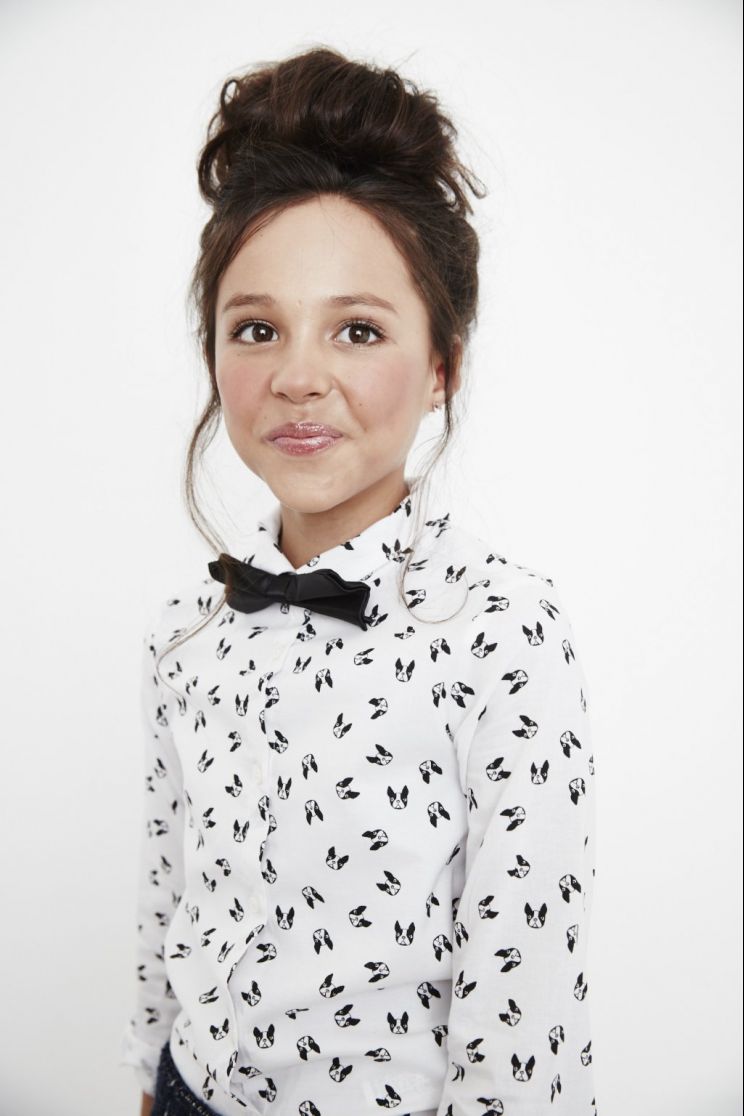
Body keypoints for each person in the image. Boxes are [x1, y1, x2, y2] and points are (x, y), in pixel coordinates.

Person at [120, 44, 598, 1116]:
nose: (298, 376)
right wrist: (148, 1076)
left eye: (359, 330)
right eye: (256, 329)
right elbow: (166, 893)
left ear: (442, 366)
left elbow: (526, 1004)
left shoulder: (502, 634)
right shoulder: (182, 631)